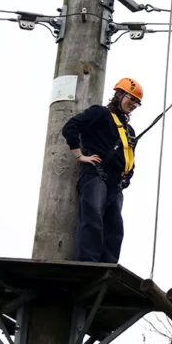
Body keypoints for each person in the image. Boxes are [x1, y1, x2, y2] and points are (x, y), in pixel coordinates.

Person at [62, 77, 142, 264]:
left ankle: (108, 265)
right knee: (93, 219)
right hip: (95, 175)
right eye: (131, 99)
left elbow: (130, 158)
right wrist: (79, 155)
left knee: (114, 227)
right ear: (119, 95)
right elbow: (71, 127)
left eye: (137, 103)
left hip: (115, 183)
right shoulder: (100, 114)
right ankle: (88, 263)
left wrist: (127, 178)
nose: (134, 104)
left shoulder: (128, 130)